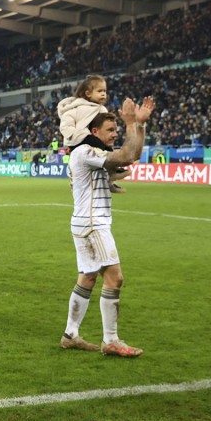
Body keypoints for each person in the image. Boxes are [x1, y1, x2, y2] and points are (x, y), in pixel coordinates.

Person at [60, 97, 155, 358]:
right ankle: (111, 340)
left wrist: (140, 125)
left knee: (88, 278)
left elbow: (130, 156)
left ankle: (70, 334)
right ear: (94, 132)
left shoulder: (90, 153)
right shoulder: (87, 152)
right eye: (110, 131)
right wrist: (131, 123)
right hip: (93, 225)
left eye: (116, 130)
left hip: (85, 222)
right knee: (115, 278)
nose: (114, 135)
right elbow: (129, 154)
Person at [58, 75, 129, 193]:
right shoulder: (77, 107)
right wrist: (72, 134)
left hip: (91, 138)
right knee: (101, 148)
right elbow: (66, 121)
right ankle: (110, 174)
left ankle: (110, 179)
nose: (103, 94)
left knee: (107, 149)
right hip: (79, 139)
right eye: (99, 91)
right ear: (88, 93)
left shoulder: (102, 109)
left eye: (105, 91)